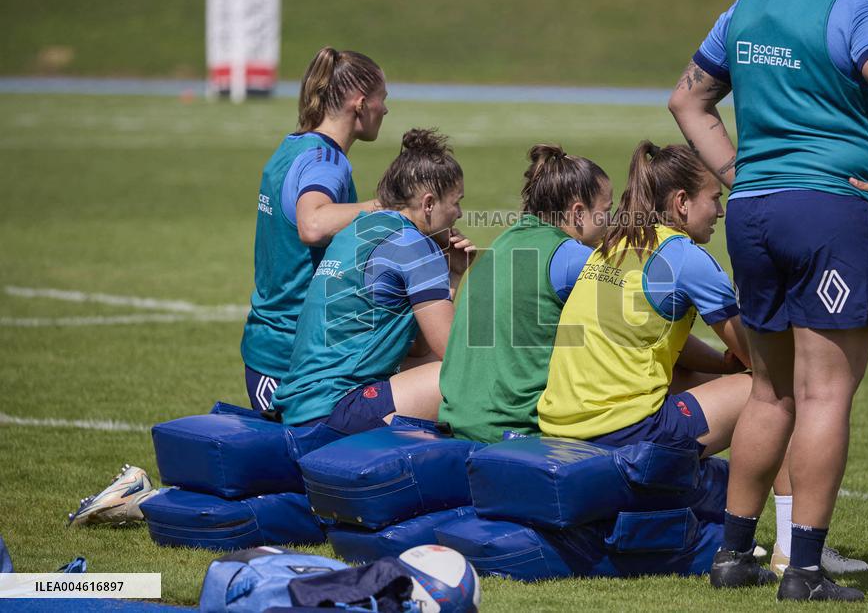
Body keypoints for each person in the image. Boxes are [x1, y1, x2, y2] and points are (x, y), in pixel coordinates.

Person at [668, 0, 868, 602]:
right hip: (832, 214)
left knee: (770, 391)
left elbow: (687, 99)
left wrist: (737, 174)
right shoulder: (860, 8)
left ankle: (733, 556)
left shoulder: (749, 0)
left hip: (753, 213)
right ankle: (804, 570)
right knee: (824, 396)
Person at [538, 142, 753, 458]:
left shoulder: (614, 243)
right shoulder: (686, 257)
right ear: (682, 201)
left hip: (558, 425)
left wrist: (722, 363)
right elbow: (755, 360)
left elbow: (649, 336)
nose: (720, 212)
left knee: (696, 375)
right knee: (772, 391)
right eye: (715, 199)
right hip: (620, 432)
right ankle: (757, 509)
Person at [271, 129, 472, 433]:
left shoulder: (356, 229)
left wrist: (453, 273)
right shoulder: (414, 245)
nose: (459, 213)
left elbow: (418, 351)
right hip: (335, 408)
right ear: (428, 204)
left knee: (431, 368)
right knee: (465, 377)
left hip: (299, 403)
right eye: (456, 202)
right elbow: (454, 354)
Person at [241, 47, 389, 411]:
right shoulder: (327, 162)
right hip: (287, 360)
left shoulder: (292, 148)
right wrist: (387, 207)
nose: (385, 110)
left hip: (304, 352)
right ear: (359, 103)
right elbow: (312, 224)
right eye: (382, 100)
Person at [438, 144, 612, 443]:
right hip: (512, 432)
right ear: (579, 212)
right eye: (606, 212)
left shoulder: (503, 242)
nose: (610, 223)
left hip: (458, 422)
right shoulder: (572, 257)